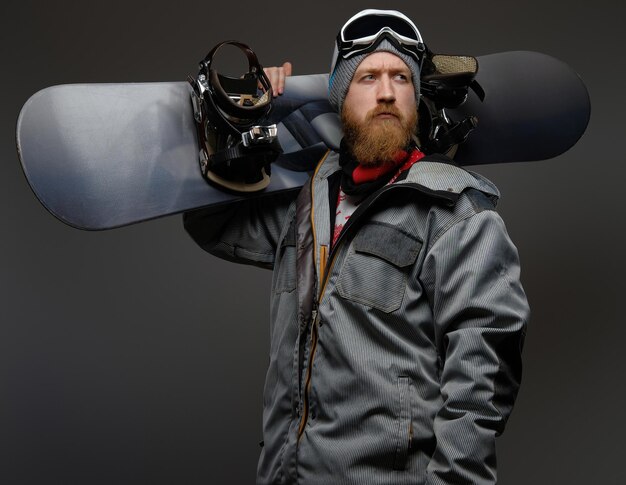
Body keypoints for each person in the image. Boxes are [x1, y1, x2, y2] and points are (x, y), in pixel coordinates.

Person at [184, 9, 529, 485]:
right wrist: (253, 113)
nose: (386, 91)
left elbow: (483, 382)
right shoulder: (308, 199)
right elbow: (211, 224)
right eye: (368, 76)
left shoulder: (457, 214)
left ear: (415, 97)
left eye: (401, 78)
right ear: (342, 97)